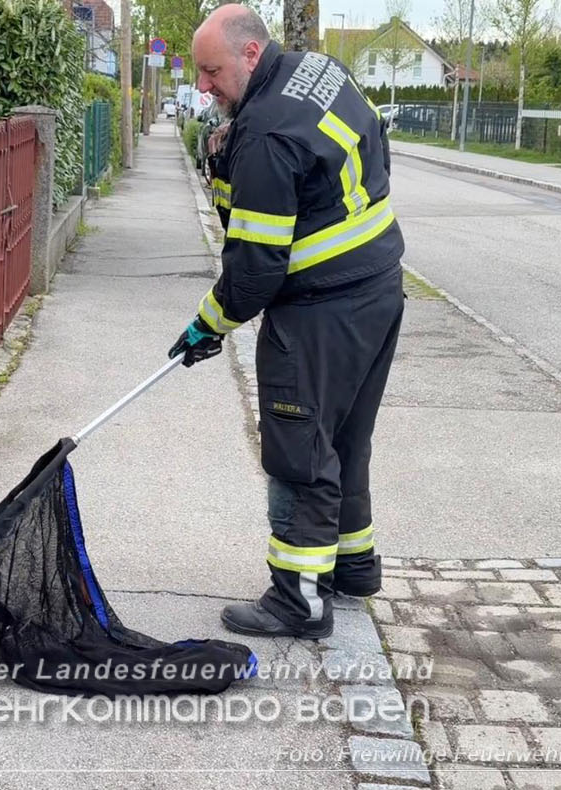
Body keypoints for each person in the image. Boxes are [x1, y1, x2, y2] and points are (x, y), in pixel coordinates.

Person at [168, 4, 405, 639]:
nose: (203, 86)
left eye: (211, 71)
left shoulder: (266, 135)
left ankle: (298, 600)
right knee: (345, 438)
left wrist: (206, 326)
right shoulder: (320, 70)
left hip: (321, 312)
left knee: (300, 447)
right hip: (379, 288)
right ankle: (352, 567)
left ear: (250, 55)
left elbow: (252, 272)